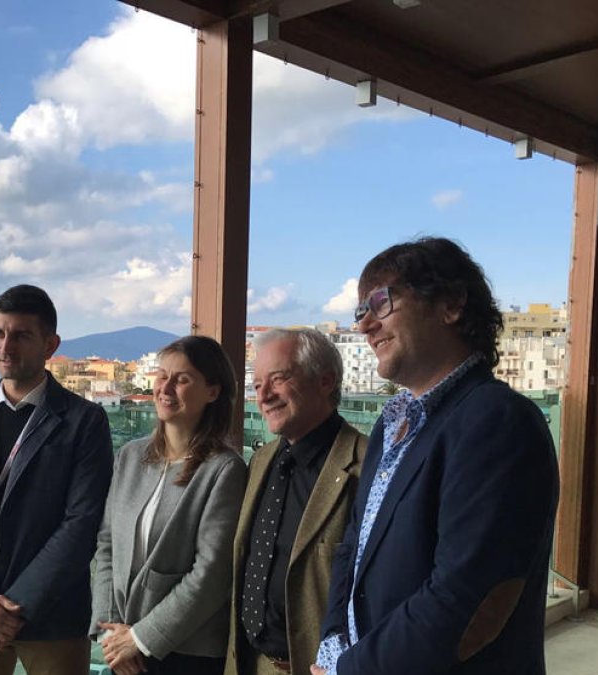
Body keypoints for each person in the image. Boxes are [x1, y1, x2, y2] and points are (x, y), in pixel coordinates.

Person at [313, 237, 559, 675]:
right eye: (359, 312)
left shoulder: (497, 421)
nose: (365, 325)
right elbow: (353, 547)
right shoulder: (392, 422)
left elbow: (467, 598)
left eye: (381, 302)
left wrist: (350, 670)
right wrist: (334, 644)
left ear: (450, 304)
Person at [0, 284, 114, 675]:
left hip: (52, 620)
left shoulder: (84, 421)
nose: (5, 347)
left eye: (21, 335)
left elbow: (81, 524)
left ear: (50, 344)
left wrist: (12, 609)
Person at [91, 335, 246, 675]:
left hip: (187, 654)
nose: (166, 387)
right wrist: (112, 631)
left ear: (213, 392)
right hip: (122, 648)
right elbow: (106, 545)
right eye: (162, 375)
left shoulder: (225, 470)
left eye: (183, 379)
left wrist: (142, 638)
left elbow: (212, 574)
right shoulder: (130, 456)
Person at [224, 329, 368, 675]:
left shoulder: (367, 465)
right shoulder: (262, 462)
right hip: (245, 663)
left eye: (279, 379)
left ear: (325, 380)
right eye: (257, 386)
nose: (265, 396)